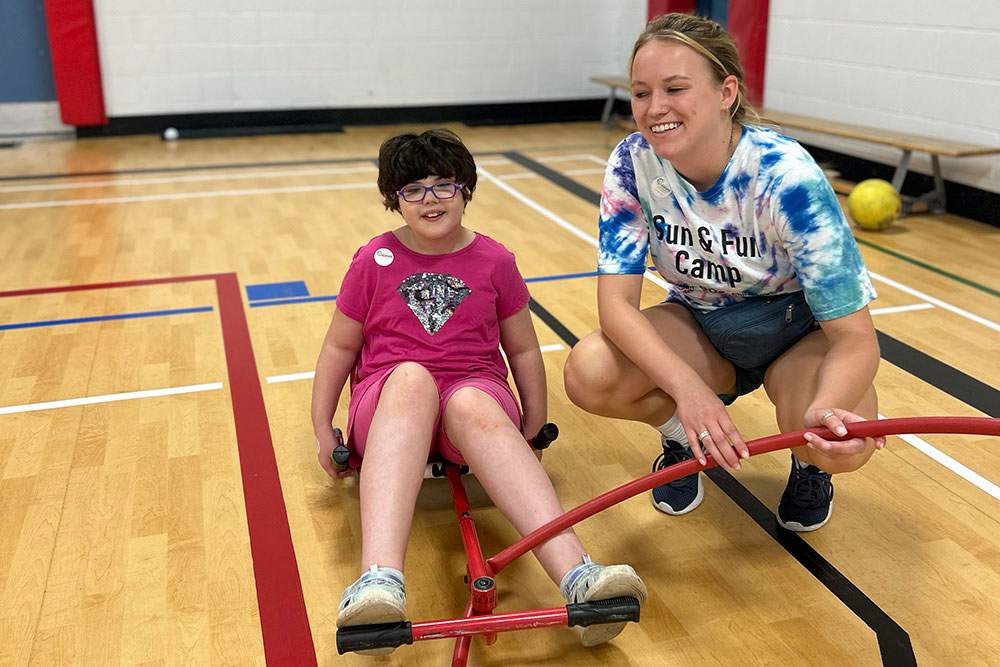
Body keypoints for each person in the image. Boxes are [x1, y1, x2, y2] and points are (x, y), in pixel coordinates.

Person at [310, 129, 646, 653]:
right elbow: (337, 351)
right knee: (412, 378)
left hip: (473, 397)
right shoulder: (371, 260)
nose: (430, 199)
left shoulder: (495, 262)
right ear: (393, 199)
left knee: (468, 400)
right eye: (413, 189)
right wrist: (321, 428)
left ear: (466, 189)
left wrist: (533, 426)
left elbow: (525, 352)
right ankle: (379, 581)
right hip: (391, 400)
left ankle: (579, 576)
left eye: (444, 185)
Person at [563, 13, 886, 533]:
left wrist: (826, 412)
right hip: (703, 324)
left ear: (725, 92)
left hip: (796, 333)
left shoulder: (787, 178)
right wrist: (688, 394)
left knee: (842, 450)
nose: (655, 108)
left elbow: (855, 339)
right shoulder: (633, 162)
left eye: (675, 88)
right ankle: (683, 439)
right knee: (590, 372)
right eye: (641, 93)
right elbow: (616, 307)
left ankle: (808, 464)